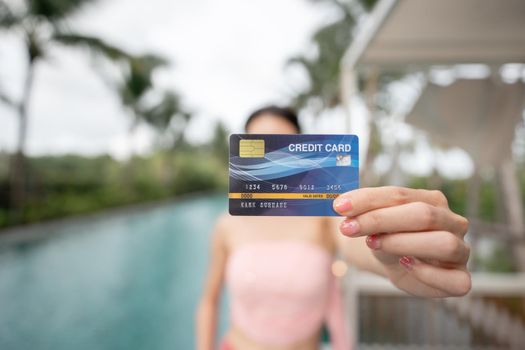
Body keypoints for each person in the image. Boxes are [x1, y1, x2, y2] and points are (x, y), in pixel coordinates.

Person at [196, 105, 471, 350]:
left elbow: (354, 243)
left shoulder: (326, 218)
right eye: (260, 145)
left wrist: (394, 257)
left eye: (283, 146)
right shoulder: (226, 225)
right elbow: (209, 300)